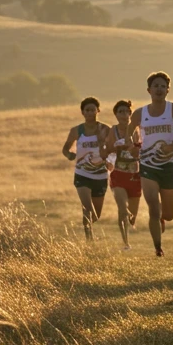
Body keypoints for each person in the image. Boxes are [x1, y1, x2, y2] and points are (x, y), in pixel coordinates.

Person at [127, 71, 173, 257]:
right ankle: (158, 248)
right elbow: (128, 132)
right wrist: (133, 146)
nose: (159, 89)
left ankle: (163, 219)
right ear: (149, 90)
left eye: (162, 86)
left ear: (168, 90)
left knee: (168, 214)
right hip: (147, 165)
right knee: (153, 209)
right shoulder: (140, 113)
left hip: (169, 166)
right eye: (155, 86)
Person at [61, 96, 113, 241]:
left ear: (98, 110)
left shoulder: (105, 129)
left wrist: (110, 160)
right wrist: (70, 155)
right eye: (87, 110)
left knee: (96, 215)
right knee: (88, 209)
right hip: (82, 174)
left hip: (101, 175)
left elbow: (112, 149)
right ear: (82, 112)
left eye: (93, 110)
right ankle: (89, 239)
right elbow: (65, 148)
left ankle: (87, 225)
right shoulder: (76, 130)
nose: (90, 113)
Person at [104, 99, 142, 251]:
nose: (124, 115)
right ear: (116, 114)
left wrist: (134, 148)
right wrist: (114, 152)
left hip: (134, 174)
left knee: (132, 216)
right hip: (118, 173)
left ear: (131, 114)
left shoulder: (137, 130)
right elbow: (109, 150)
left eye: (127, 112)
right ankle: (126, 243)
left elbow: (141, 150)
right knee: (122, 208)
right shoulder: (112, 131)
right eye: (121, 112)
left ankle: (130, 225)